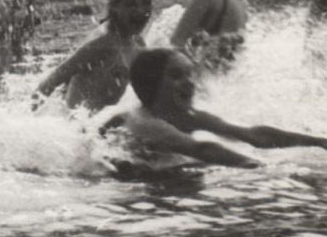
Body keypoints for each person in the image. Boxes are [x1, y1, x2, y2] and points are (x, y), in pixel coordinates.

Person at [101, 48, 327, 177]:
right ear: (152, 85)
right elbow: (202, 148)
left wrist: (318, 141)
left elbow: (252, 134)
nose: (189, 82)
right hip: (103, 160)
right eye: (176, 75)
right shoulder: (144, 122)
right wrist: (263, 167)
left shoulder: (186, 114)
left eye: (190, 74)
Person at [34, 0, 155, 112]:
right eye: (130, 4)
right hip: (79, 129)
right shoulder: (102, 42)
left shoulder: (139, 45)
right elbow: (50, 82)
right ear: (114, 6)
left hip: (106, 128)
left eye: (146, 2)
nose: (140, 11)